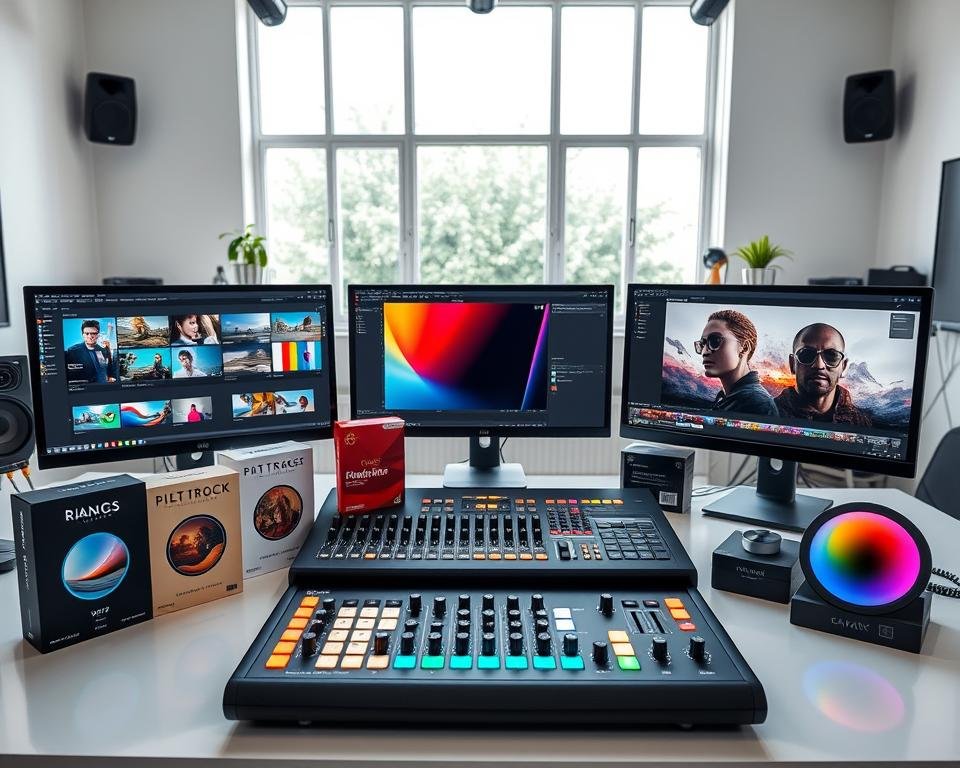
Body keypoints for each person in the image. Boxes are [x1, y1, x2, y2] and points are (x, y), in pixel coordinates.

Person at [775, 323, 872, 426]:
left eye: (831, 356)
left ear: (843, 367)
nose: (819, 365)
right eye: (806, 354)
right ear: (792, 364)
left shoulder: (861, 423)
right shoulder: (767, 412)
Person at [695, 309, 778, 416]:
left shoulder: (758, 404)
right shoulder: (728, 398)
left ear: (744, 348)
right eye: (702, 344)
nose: (704, 352)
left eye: (715, 341)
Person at [64, 319, 117, 384]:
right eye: (87, 333)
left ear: (98, 335)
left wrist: (110, 377)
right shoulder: (72, 351)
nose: (90, 336)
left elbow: (108, 367)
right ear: (82, 335)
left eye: (94, 333)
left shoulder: (103, 350)